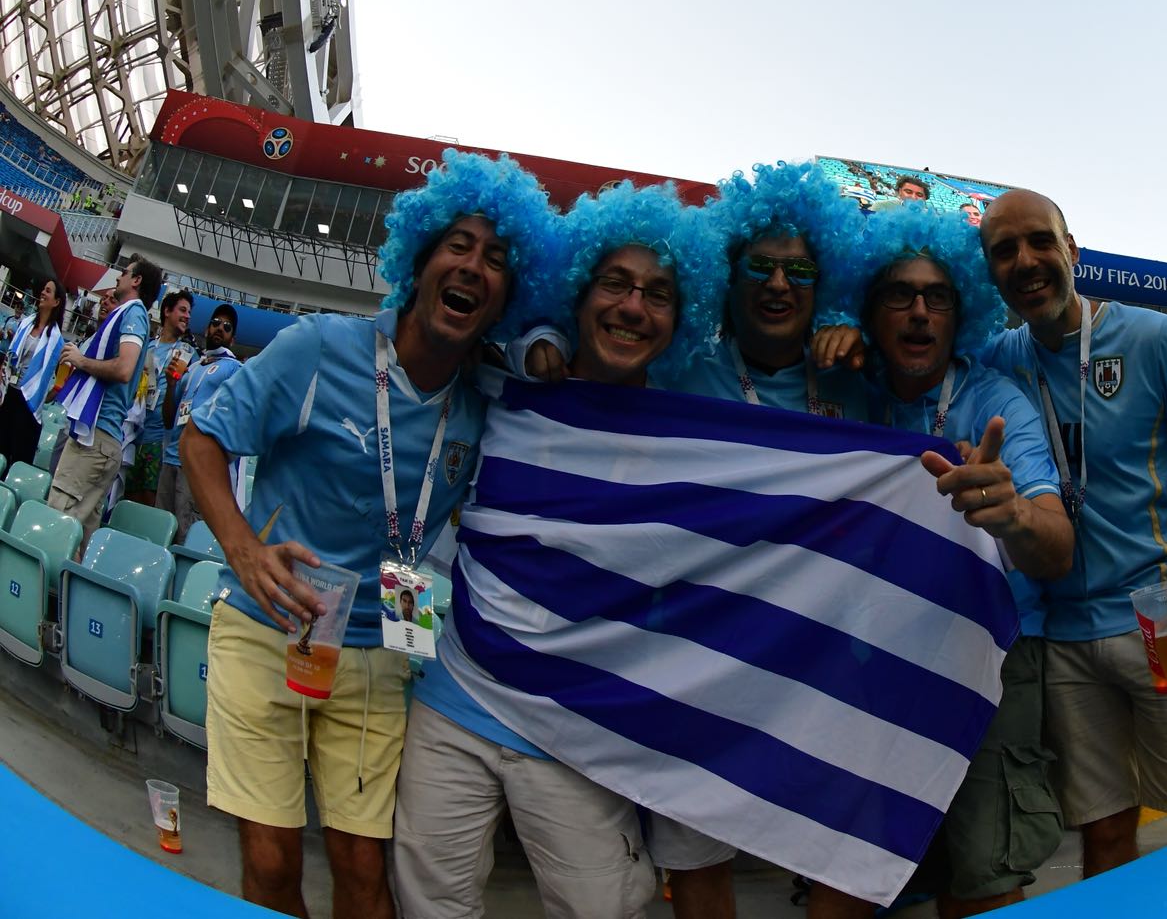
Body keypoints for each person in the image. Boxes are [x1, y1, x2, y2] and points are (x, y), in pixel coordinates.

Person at [182, 151, 553, 919]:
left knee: (362, 873)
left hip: (386, 648)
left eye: (496, 259)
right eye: (458, 245)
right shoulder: (319, 348)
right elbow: (201, 437)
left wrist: (545, 344)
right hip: (268, 629)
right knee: (272, 860)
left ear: (505, 299)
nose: (473, 266)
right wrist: (244, 551)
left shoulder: (486, 401)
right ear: (419, 262)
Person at [515, 159, 873, 919]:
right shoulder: (681, 372)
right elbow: (590, 362)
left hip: (823, 671)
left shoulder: (857, 379)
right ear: (728, 275)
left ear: (826, 282)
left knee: (840, 860)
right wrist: (537, 335)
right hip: (696, 665)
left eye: (802, 270)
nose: (780, 285)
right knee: (700, 868)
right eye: (760, 266)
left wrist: (857, 325)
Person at [394, 182, 721, 919]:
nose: (633, 307)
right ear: (574, 292)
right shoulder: (500, 384)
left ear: (680, 318)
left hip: (581, 736)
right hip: (454, 706)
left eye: (659, 294)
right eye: (614, 283)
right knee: (427, 907)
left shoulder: (694, 442)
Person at [975, 189, 1167, 875]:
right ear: (989, 273)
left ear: (1073, 252)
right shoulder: (997, 361)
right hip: (1068, 640)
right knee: (1102, 841)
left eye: (1041, 241)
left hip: (1166, 622)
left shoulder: (1156, 339)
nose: (1026, 261)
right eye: (1004, 251)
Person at [810, 207, 1071, 918]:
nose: (920, 312)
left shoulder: (996, 401)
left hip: (988, 657)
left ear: (962, 313)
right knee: (852, 871)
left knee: (982, 878)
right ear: (870, 309)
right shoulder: (843, 391)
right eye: (899, 294)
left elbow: (1055, 544)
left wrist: (1014, 515)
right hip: (875, 662)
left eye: (938, 297)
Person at [48, 257, 162, 537]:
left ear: (136, 281)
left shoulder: (133, 314)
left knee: (58, 522)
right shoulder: (131, 314)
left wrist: (80, 360)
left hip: (95, 438)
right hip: (104, 440)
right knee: (80, 536)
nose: (117, 278)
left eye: (124, 272)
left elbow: (124, 369)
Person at [160, 304, 241, 542]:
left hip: (197, 466)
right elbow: (168, 419)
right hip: (171, 458)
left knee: (185, 538)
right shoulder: (192, 368)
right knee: (160, 533)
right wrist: (172, 384)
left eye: (227, 327)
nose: (220, 328)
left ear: (232, 339)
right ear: (206, 329)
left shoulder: (235, 368)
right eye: (216, 322)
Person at [128, 289, 192, 506]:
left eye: (189, 312)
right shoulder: (147, 347)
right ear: (167, 311)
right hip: (133, 434)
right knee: (127, 500)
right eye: (182, 310)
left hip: (160, 440)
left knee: (149, 503)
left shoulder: (187, 354)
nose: (187, 316)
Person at [0, 278, 65, 467]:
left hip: (27, 401)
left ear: (57, 302)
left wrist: (46, 395)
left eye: (48, 291)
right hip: (9, 393)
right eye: (43, 290)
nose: (43, 293)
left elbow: (59, 380)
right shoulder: (26, 323)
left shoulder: (56, 340)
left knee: (17, 456)